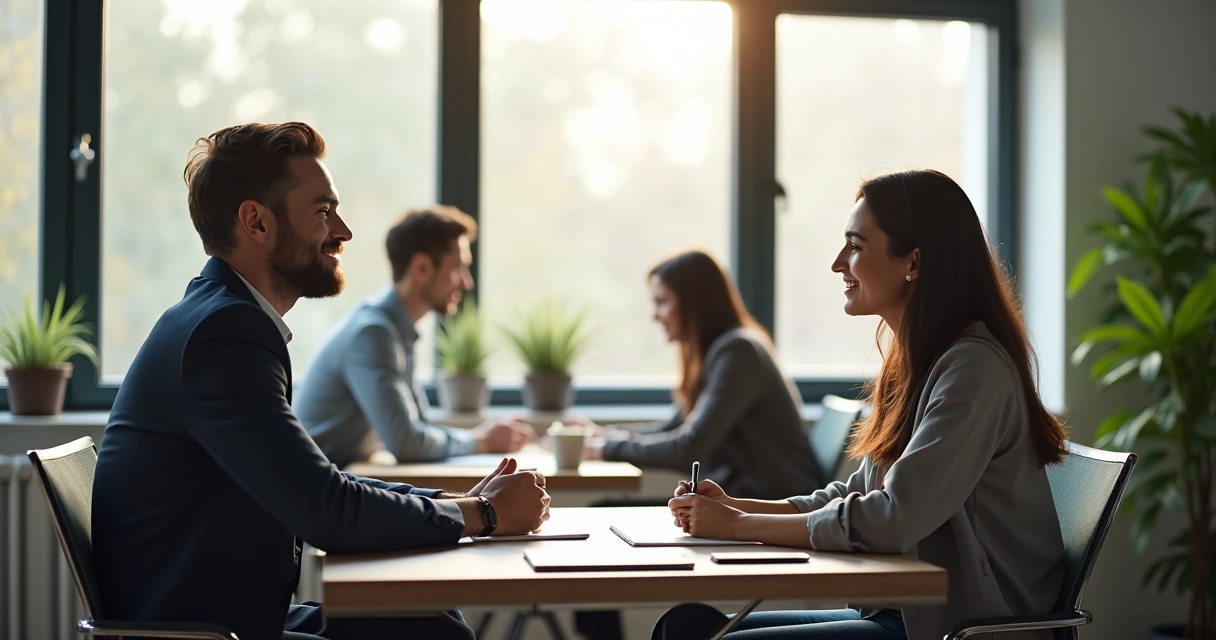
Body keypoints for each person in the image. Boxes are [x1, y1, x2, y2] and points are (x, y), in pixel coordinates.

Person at [92, 122, 550, 640]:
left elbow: (321, 486)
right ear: (256, 222)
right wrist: (484, 514)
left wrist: (460, 502)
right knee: (437, 635)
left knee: (435, 622)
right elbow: (325, 509)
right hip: (206, 632)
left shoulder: (219, 317)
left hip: (225, 617)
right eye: (322, 212)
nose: (344, 232)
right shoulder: (225, 334)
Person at [657, 170, 1069, 640]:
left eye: (855, 245)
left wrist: (740, 525)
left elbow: (893, 518)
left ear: (913, 261)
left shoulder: (972, 369)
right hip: (901, 613)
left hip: (957, 626)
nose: (838, 263)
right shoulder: (916, 361)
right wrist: (736, 508)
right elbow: (858, 495)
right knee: (684, 627)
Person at [294, 206, 534, 467]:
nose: (466, 283)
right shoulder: (373, 334)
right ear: (421, 267)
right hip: (312, 496)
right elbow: (406, 443)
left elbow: (419, 427)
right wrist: (481, 441)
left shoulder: (393, 330)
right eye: (458, 268)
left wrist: (481, 438)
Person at [581, 249, 818, 500]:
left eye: (661, 302)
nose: (654, 315)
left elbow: (689, 447)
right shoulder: (722, 352)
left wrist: (608, 448)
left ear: (693, 303)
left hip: (770, 503)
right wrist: (603, 434)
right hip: (745, 499)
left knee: (607, 510)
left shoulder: (739, 352)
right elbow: (674, 427)